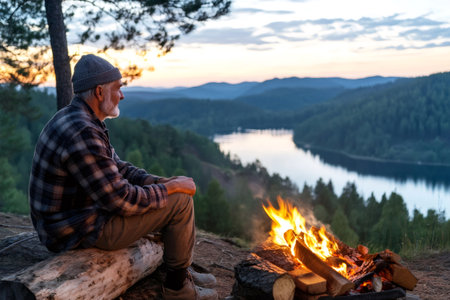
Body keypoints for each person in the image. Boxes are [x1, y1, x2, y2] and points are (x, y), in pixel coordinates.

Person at [29, 54, 217, 300]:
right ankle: (178, 288)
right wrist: (171, 191)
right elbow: (121, 200)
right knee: (181, 203)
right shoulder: (83, 132)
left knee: (173, 193)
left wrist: (163, 182)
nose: (122, 95)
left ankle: (180, 270)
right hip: (76, 230)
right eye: (118, 89)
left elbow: (120, 168)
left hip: (77, 218)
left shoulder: (81, 118)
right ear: (99, 92)